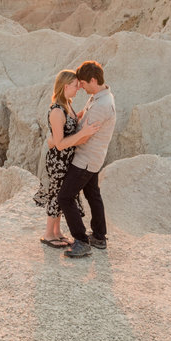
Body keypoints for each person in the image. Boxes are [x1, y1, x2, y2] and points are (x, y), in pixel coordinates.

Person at [34, 69, 100, 248]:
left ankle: (57, 232)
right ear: (65, 86)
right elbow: (60, 143)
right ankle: (48, 234)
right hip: (58, 161)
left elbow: (70, 125)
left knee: (61, 194)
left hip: (67, 159)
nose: (78, 89)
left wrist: (83, 115)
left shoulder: (67, 105)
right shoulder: (56, 111)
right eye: (75, 86)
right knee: (56, 195)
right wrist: (84, 133)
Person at [57, 60, 116, 258]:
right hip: (94, 157)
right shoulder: (99, 97)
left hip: (85, 159)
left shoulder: (102, 104)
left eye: (83, 83)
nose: (80, 87)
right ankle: (99, 237)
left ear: (93, 80)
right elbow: (84, 121)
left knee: (65, 197)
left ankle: (81, 241)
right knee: (93, 195)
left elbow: (83, 134)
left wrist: (60, 140)